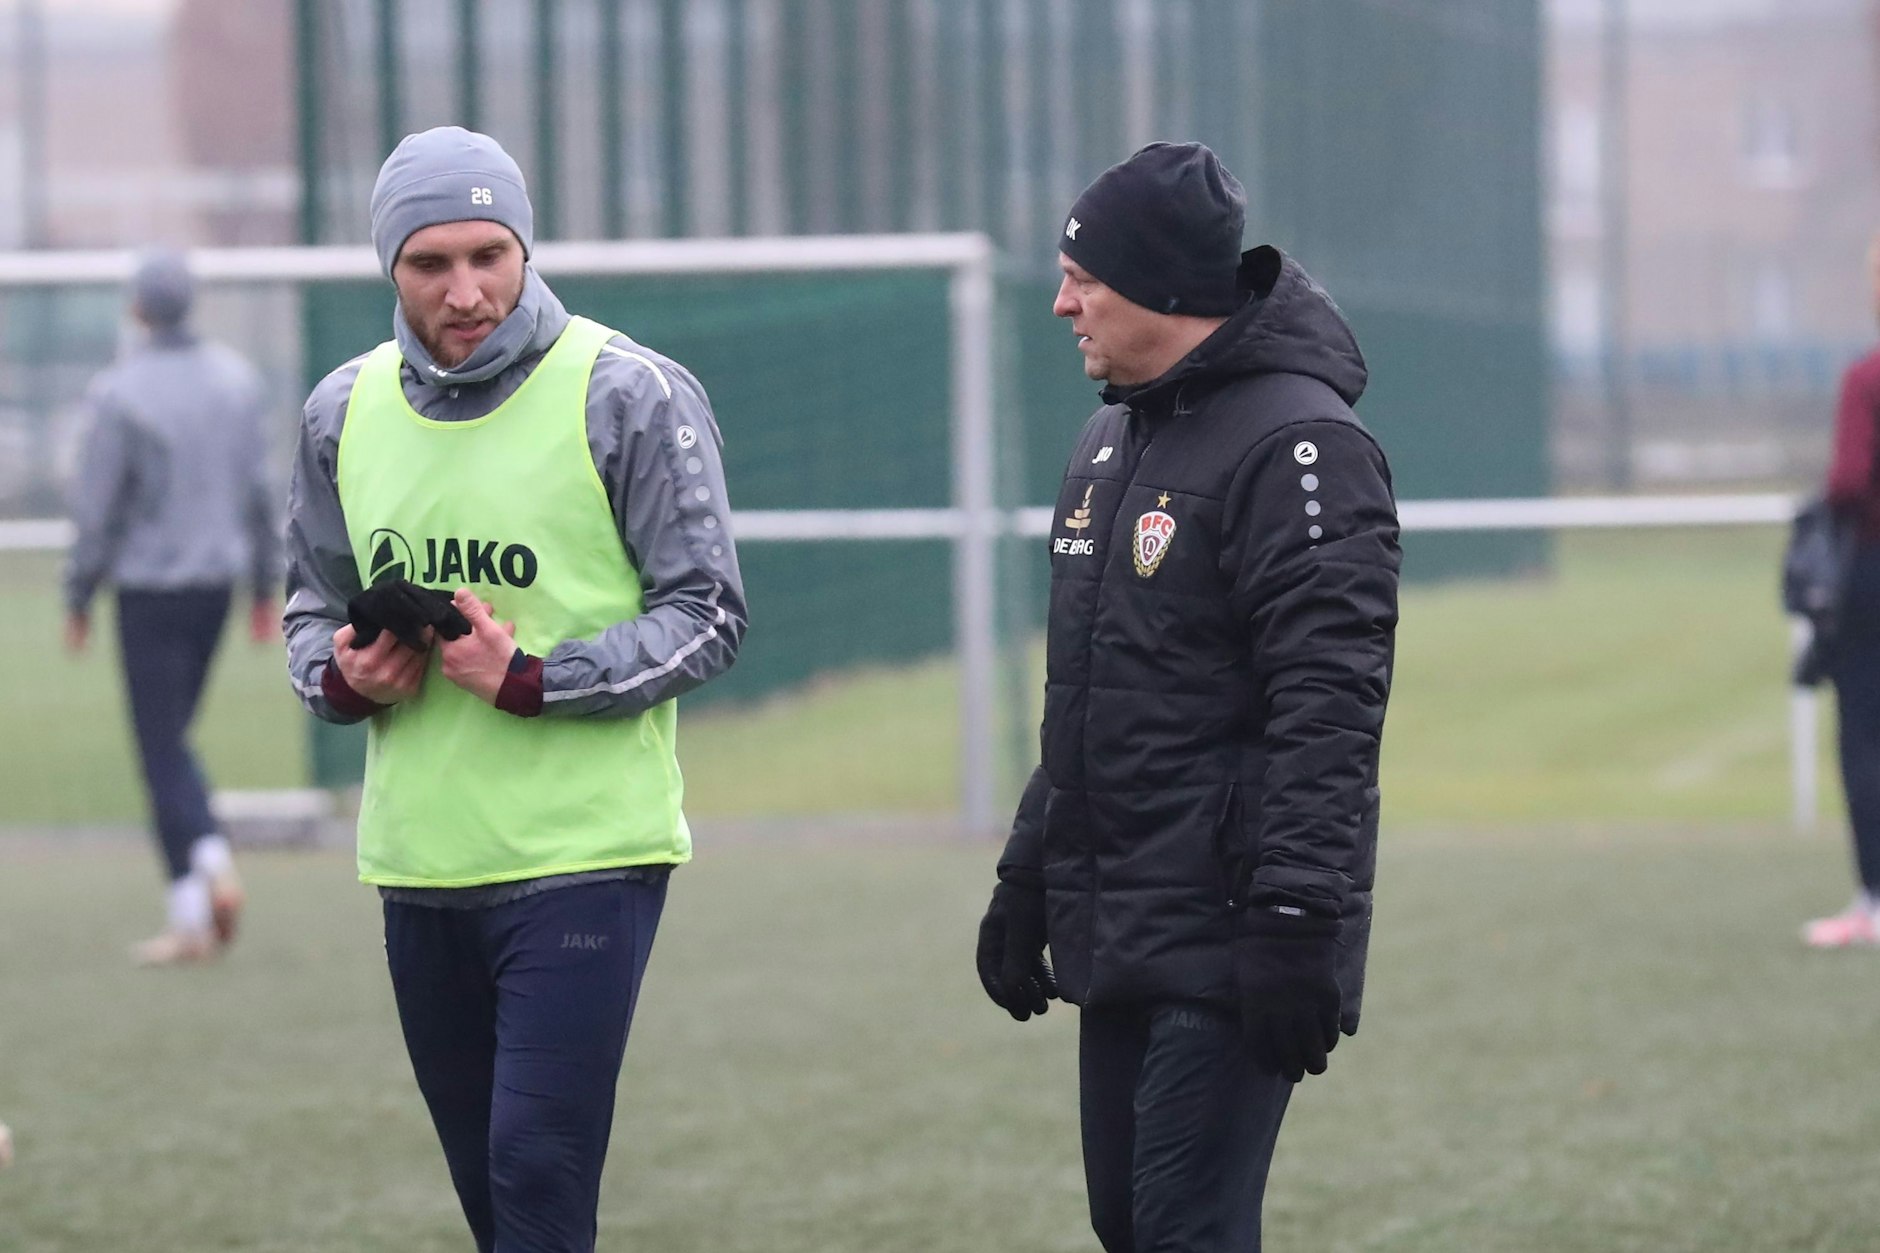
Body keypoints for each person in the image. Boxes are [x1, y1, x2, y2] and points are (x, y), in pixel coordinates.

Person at [282, 126, 746, 1252]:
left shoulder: (628, 392)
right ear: (388, 267)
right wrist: (344, 675)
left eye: (490, 253)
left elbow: (710, 613)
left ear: (525, 247)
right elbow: (308, 607)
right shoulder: (340, 410)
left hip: (582, 860)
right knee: (496, 1206)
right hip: (420, 861)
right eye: (429, 263)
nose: (467, 288)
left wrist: (533, 677)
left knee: (536, 1172)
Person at [975, 143, 1400, 1252]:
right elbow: (1088, 693)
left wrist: (1298, 916)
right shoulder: (1110, 436)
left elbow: (1329, 706)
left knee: (1180, 1229)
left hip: (1234, 927)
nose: (1061, 300)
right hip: (1118, 917)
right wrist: (1027, 870)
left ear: (1161, 286)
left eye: (1084, 276)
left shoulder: (1301, 443)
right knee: (1132, 1229)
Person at [63, 248, 275, 967]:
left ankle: (205, 871)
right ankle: (191, 913)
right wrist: (265, 586)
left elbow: (99, 508)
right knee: (174, 739)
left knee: (160, 748)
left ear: (137, 309)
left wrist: (79, 593)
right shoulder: (238, 382)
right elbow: (259, 491)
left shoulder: (120, 392)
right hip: (216, 584)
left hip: (150, 588)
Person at [1803, 235, 1880, 948]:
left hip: (1872, 576)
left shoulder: (1868, 378)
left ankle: (1872, 898)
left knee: (1864, 736)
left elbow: (1849, 481)